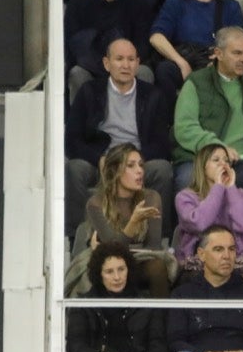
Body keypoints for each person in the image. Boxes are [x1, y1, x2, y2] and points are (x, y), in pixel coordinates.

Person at [170, 26, 243, 223]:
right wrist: (218, 148)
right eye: (236, 53)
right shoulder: (196, 83)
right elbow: (184, 127)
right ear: (218, 54)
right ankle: (187, 246)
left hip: (241, 163)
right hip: (201, 162)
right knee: (185, 178)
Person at [64, 50, 175, 239]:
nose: (126, 65)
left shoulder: (152, 95)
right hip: (102, 158)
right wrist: (99, 157)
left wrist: (132, 161)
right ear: (107, 63)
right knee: (75, 168)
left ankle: (161, 238)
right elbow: (72, 140)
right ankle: (78, 237)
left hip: (138, 157)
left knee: (163, 169)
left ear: (138, 63)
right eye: (120, 58)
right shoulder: (90, 91)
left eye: (131, 59)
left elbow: (162, 144)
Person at [67, 241, 171, 352]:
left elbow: (159, 345)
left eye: (121, 269)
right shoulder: (83, 305)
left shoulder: (146, 304)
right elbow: (76, 348)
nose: (117, 277)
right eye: (109, 272)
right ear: (99, 274)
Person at [149, 0, 243, 102]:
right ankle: (170, 122)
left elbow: (240, 42)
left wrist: (220, 60)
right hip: (183, 58)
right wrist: (181, 62)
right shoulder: (176, 3)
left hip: (215, 62)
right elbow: (156, 37)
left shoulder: (230, 7)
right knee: (164, 70)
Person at [78, 155, 175, 302]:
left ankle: (162, 321)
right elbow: (112, 250)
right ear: (115, 171)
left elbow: (153, 248)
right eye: (131, 165)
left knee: (157, 267)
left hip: (141, 259)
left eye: (141, 165)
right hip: (107, 260)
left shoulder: (151, 197)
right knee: (108, 270)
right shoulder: (96, 203)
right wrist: (134, 222)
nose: (140, 171)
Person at [174, 143, 243, 283]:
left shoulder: (241, 196)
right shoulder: (185, 198)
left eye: (226, 160)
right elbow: (200, 224)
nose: (223, 164)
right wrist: (218, 188)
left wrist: (231, 189)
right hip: (198, 265)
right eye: (216, 160)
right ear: (203, 167)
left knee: (241, 281)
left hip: (238, 264)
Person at [67, 0, 157, 91]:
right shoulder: (79, 5)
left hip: (127, 68)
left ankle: (140, 114)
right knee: (77, 74)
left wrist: (123, 65)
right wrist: (108, 67)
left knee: (145, 73)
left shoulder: (138, 3)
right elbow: (77, 48)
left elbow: (143, 45)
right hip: (93, 68)